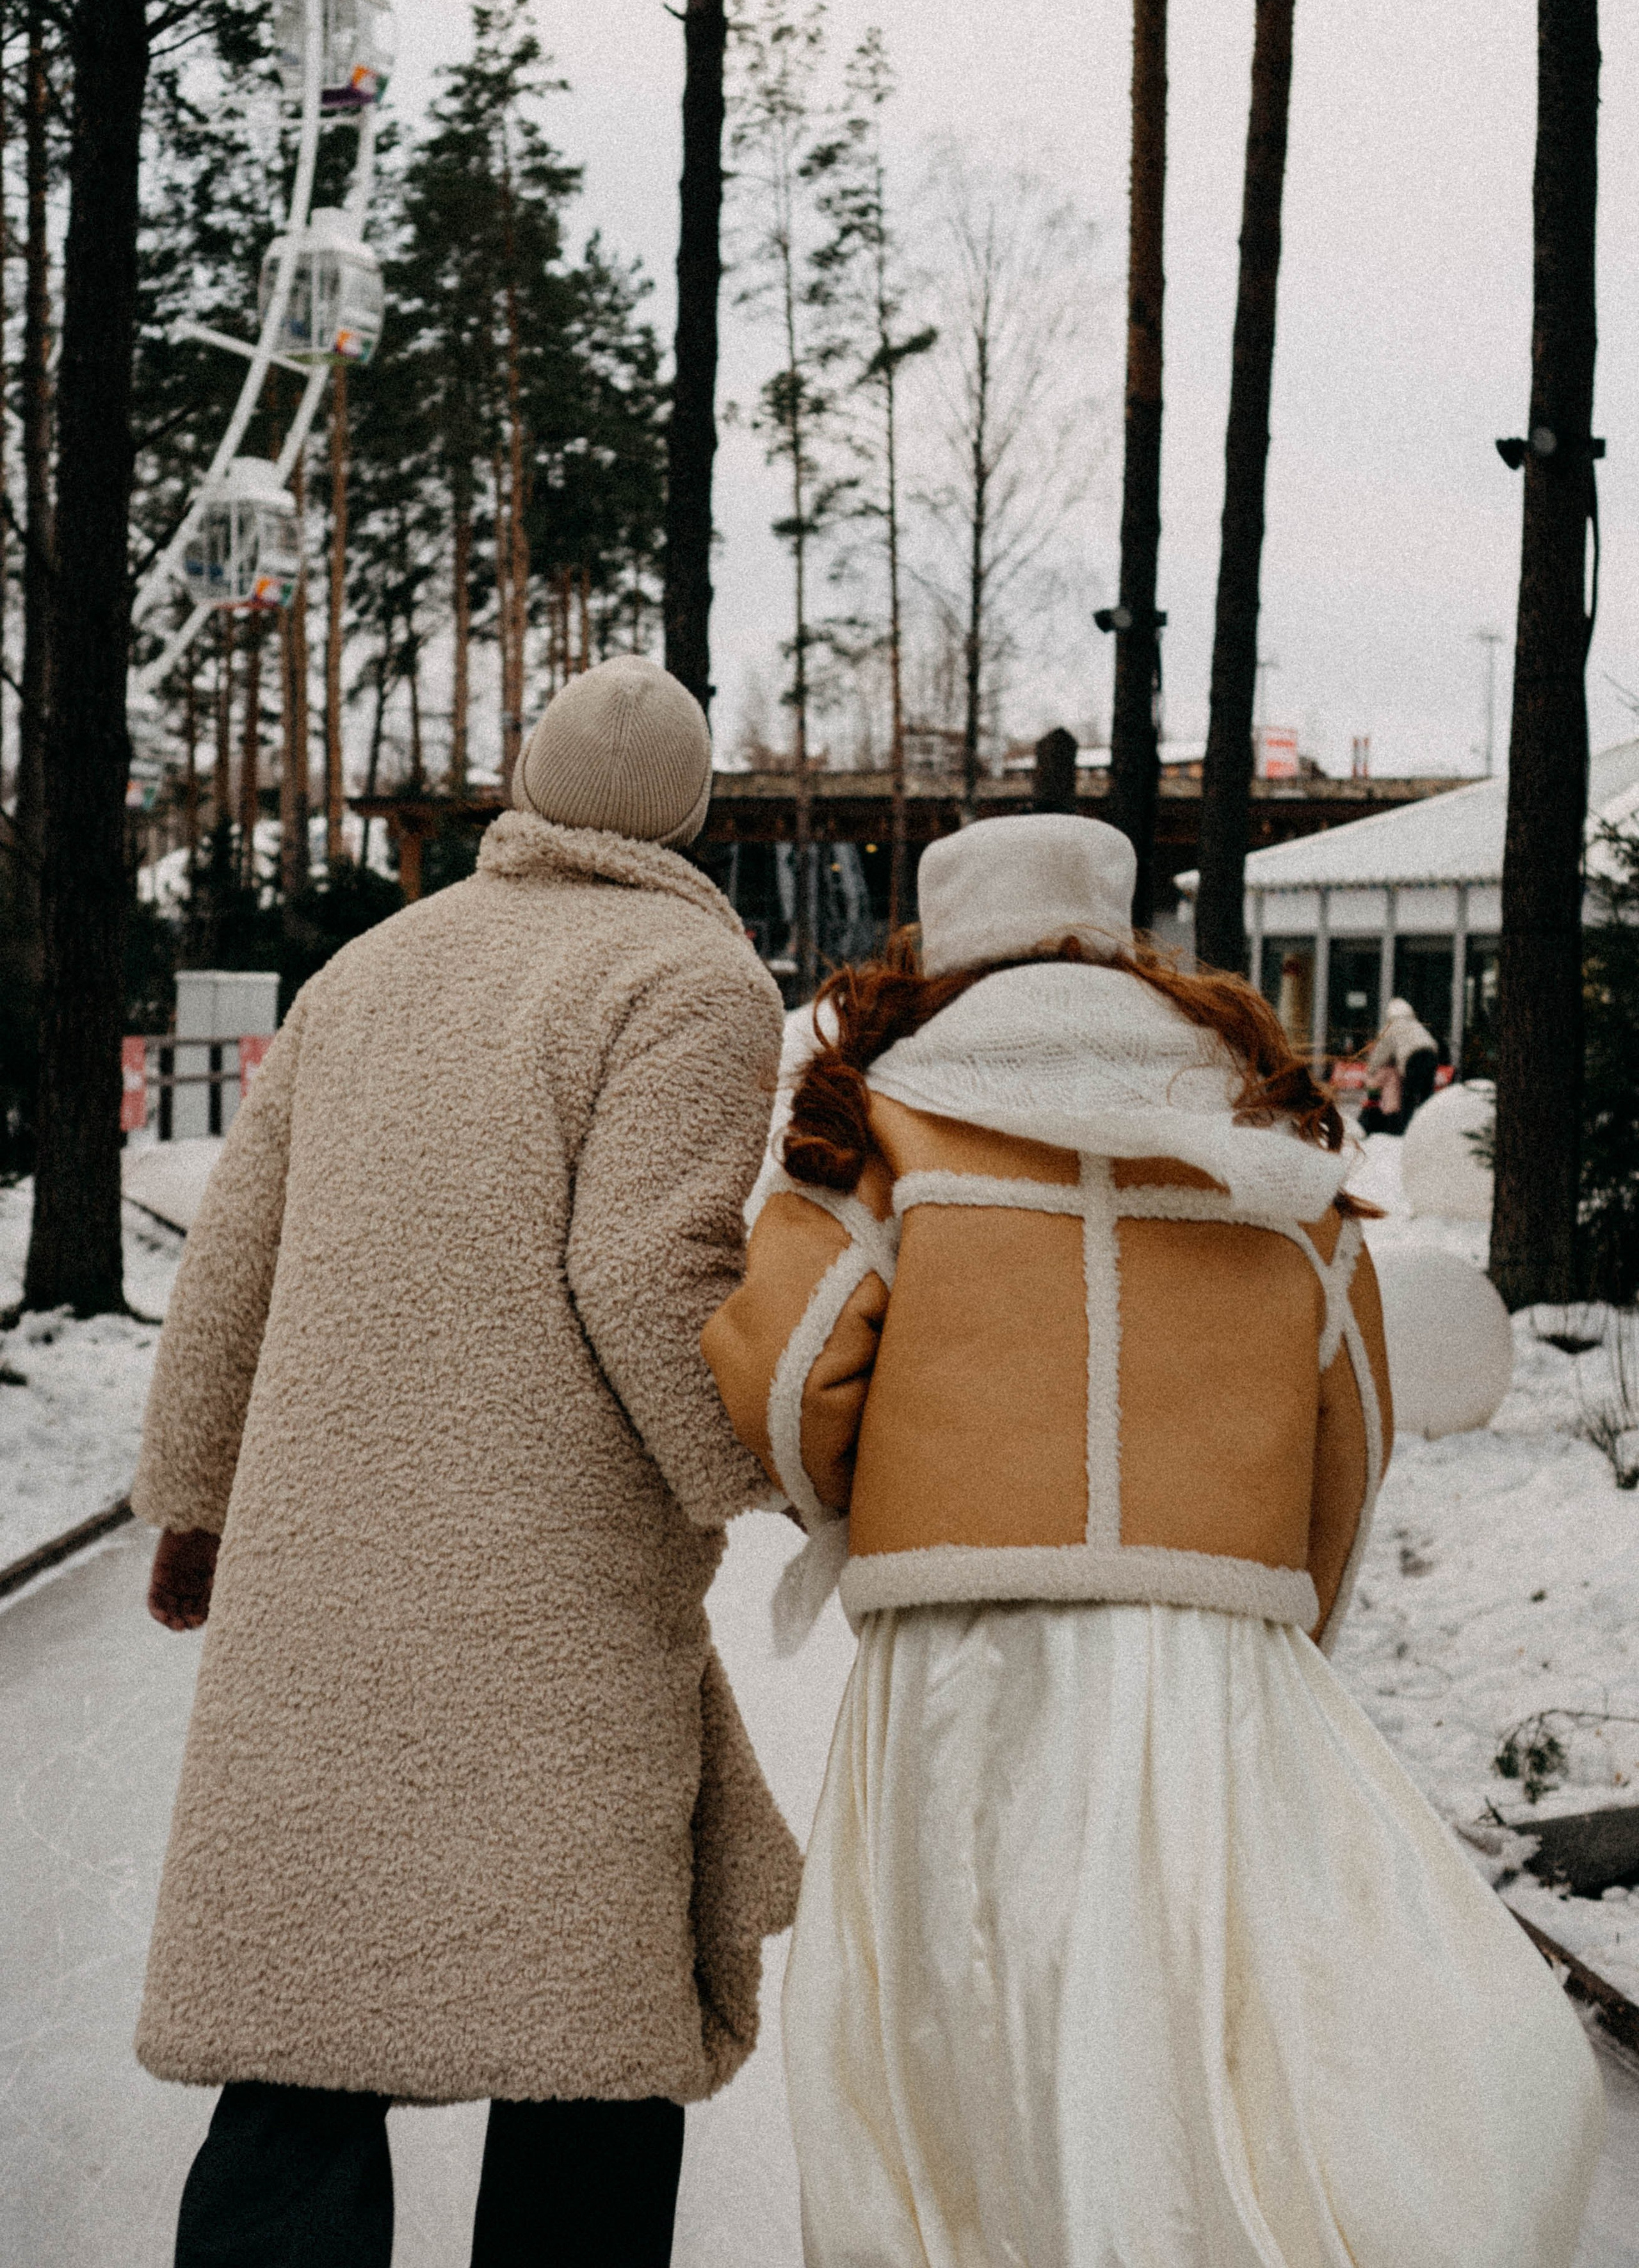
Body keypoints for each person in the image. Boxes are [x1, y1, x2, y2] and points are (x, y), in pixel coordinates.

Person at [702, 814, 1603, 2268]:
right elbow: (1351, 1418)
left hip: (962, 1645)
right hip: (1214, 1643)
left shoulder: (881, 1122)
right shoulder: (1260, 1129)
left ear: (940, 938)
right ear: (1118, 930)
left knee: (966, 2014)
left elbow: (790, 1364)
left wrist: (856, 1514)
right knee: (1204, 2018)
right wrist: (1279, 1614)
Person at [134, 656, 800, 2268]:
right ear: (691, 813)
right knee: (584, 2017)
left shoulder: (370, 967)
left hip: (319, 1572)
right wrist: (763, 1472)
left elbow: (236, 1252)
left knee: (301, 2011)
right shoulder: (690, 984)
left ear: (526, 774)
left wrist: (195, 1497)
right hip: (547, 1578)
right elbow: (649, 1273)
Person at [1359, 992, 1439, 1135]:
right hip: (1431, 1055)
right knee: (1426, 1095)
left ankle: (1402, 1131)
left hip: (1413, 1058)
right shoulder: (1415, 1024)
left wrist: (1371, 1069)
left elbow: (1382, 1052)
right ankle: (1429, 1128)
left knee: (1408, 1096)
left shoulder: (1393, 1027)